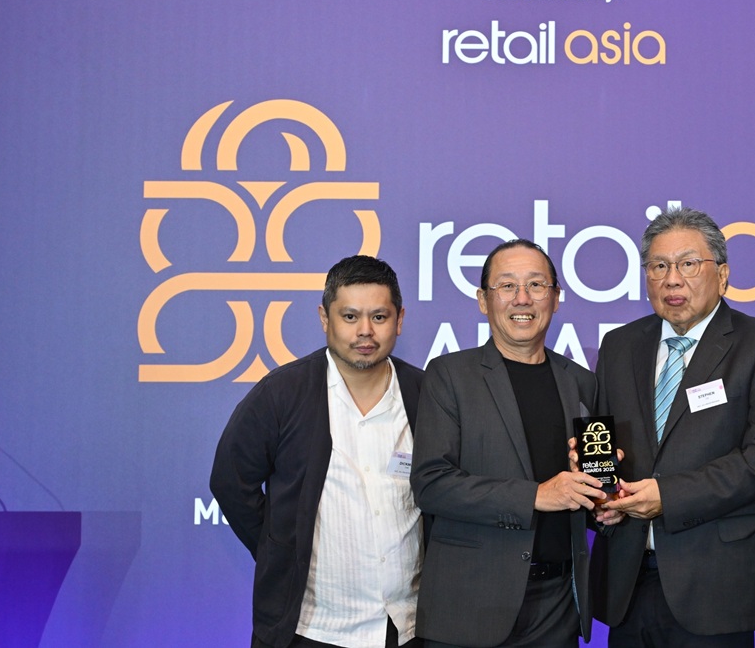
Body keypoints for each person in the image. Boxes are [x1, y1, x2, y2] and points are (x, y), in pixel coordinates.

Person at [589, 207, 755, 647]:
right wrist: (603, 499)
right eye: (658, 266)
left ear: (722, 275)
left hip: (715, 583)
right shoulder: (619, 345)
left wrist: (668, 496)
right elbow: (605, 444)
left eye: (688, 264)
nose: (672, 280)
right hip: (628, 580)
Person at [210, 255, 425, 648]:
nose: (365, 331)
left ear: (399, 320)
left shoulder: (426, 395)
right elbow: (230, 481)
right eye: (350, 317)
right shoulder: (281, 393)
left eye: (379, 317)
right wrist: (282, 550)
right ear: (325, 319)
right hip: (311, 628)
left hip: (406, 626)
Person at [410, 239, 602, 647]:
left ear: (556, 298)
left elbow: (586, 496)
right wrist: (535, 496)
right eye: (507, 286)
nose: (523, 298)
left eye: (536, 285)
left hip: (556, 609)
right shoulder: (449, 376)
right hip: (468, 606)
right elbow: (431, 484)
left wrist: (606, 500)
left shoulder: (581, 382)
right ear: (483, 300)